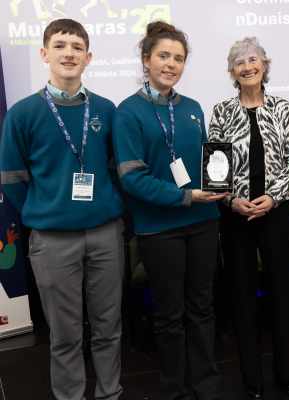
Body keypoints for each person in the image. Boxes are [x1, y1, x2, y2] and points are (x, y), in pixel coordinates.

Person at [0, 18, 124, 400]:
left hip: (105, 234)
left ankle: (110, 393)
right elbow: (11, 179)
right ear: (44, 53)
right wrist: (46, 209)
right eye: (60, 45)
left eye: (76, 47)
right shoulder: (23, 113)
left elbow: (117, 170)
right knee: (65, 334)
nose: (68, 53)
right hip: (52, 240)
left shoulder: (106, 109)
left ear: (89, 57)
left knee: (108, 328)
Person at [112, 21, 223, 400]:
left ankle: (206, 386)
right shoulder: (128, 113)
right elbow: (132, 179)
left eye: (178, 58)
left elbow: (209, 164)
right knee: (169, 316)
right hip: (159, 229)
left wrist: (219, 185)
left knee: (203, 309)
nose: (171, 64)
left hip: (204, 222)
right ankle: (175, 390)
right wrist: (187, 196)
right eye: (163, 55)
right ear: (146, 60)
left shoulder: (192, 108)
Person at [208, 37, 289, 399]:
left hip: (275, 214)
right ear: (231, 71)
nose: (247, 67)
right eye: (240, 62)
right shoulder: (221, 111)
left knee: (283, 294)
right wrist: (232, 200)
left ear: (265, 65)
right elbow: (215, 169)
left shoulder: (282, 108)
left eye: (253, 60)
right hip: (236, 218)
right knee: (242, 297)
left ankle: (286, 373)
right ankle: (252, 378)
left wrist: (273, 198)